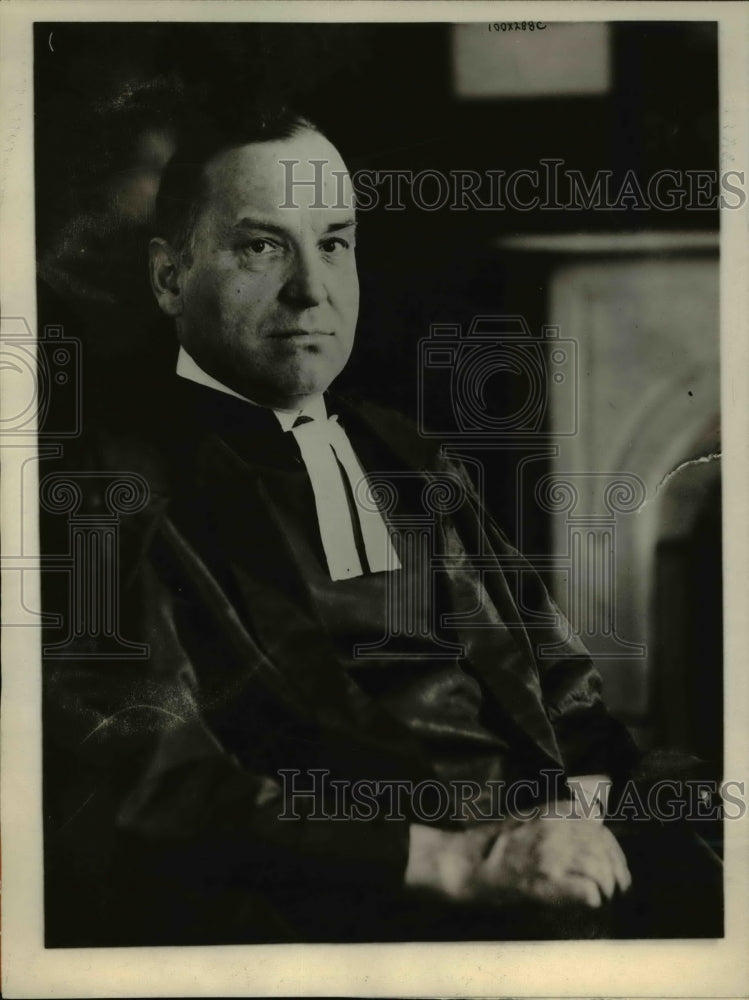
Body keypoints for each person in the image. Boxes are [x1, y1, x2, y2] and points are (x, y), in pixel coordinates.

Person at [42, 108, 722, 946]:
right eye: (261, 246)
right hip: (369, 906)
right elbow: (152, 788)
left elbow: (566, 694)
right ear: (169, 278)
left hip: (560, 858)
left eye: (332, 243)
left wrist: (595, 806)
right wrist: (461, 862)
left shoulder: (409, 455)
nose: (311, 289)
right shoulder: (103, 496)